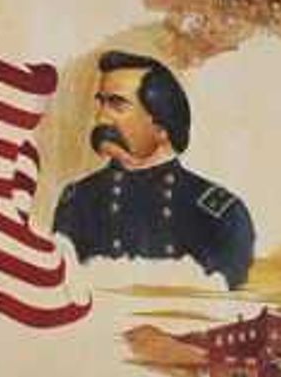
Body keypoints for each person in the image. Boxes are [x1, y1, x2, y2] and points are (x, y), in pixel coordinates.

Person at [49, 53, 255, 290]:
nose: (100, 118)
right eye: (101, 103)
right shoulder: (78, 199)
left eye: (117, 104)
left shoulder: (220, 214)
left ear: (162, 126)